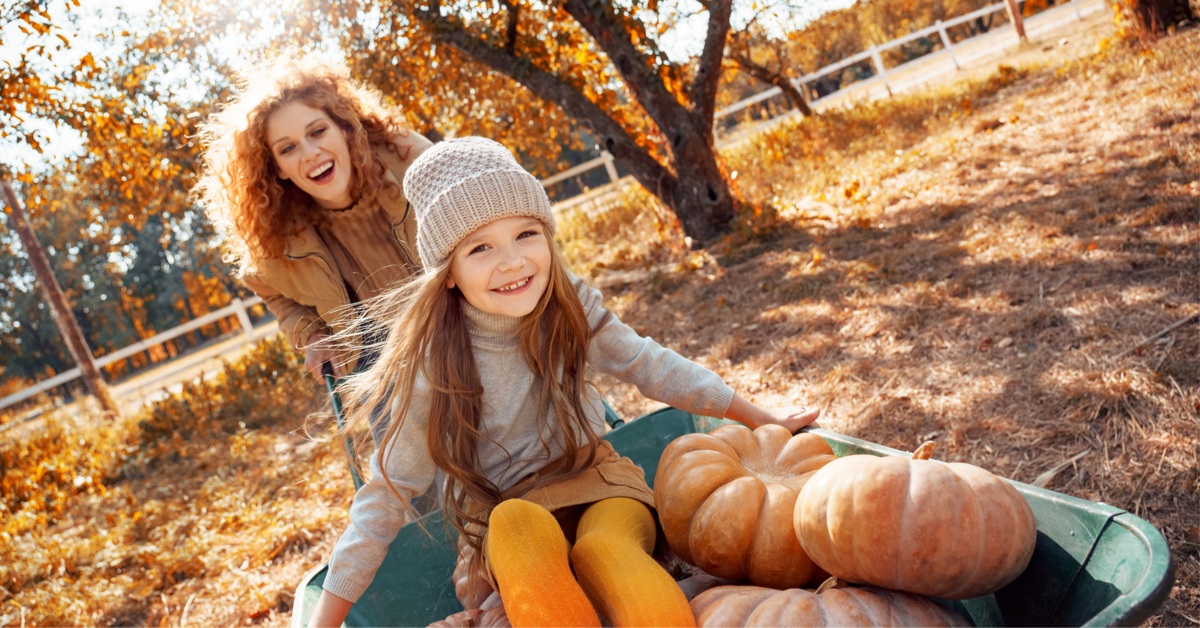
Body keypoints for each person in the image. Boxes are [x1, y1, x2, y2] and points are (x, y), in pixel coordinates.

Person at [306, 137, 821, 628]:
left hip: (594, 481)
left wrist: (759, 417)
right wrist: (325, 620)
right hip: (502, 512)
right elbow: (385, 495)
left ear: (548, 236)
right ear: (448, 272)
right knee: (514, 525)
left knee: (605, 548)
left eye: (526, 234)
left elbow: (648, 363)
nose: (512, 261)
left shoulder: (567, 302)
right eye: (480, 248)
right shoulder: (431, 369)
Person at [194, 53, 433, 378]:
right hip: (380, 359)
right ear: (277, 168)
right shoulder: (278, 237)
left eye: (318, 132)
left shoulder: (412, 164)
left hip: (459, 314)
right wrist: (311, 333)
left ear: (344, 128)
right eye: (288, 148)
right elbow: (274, 293)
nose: (310, 154)